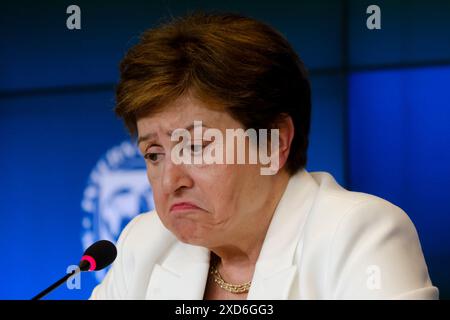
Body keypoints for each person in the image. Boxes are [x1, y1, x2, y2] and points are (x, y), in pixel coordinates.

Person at [90, 12, 438, 299]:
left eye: (195, 147)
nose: (171, 180)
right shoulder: (145, 242)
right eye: (154, 154)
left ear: (274, 143)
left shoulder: (360, 234)